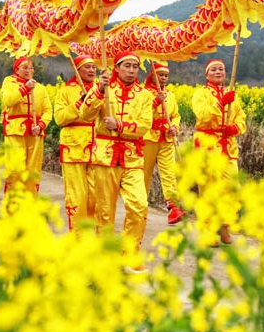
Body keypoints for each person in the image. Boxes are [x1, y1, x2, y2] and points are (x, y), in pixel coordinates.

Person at [89, 51, 152, 272]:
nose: (132, 70)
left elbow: (145, 124)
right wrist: (98, 90)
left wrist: (121, 126)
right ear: (116, 68)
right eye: (127, 66)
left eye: (135, 66)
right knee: (105, 210)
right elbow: (85, 114)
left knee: (139, 205)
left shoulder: (145, 95)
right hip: (105, 156)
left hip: (132, 157)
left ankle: (130, 253)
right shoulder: (104, 89)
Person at [191, 59, 247, 245]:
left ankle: (225, 226)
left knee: (232, 188)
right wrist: (221, 104)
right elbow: (203, 116)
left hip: (227, 147)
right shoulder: (200, 94)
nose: (218, 72)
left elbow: (241, 119)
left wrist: (234, 129)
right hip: (207, 145)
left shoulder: (233, 96)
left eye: (221, 69)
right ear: (207, 74)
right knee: (208, 188)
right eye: (213, 69)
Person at [52, 54, 104, 231]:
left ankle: (95, 234)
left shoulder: (101, 89)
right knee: (77, 195)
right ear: (77, 70)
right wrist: (80, 103)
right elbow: (59, 118)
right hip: (73, 148)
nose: (91, 70)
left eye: (93, 67)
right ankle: (79, 236)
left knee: (96, 194)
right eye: (87, 67)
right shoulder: (65, 91)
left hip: (97, 147)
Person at [0, 57, 53, 211]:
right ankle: (13, 206)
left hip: (35, 134)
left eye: (30, 67)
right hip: (15, 131)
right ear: (16, 70)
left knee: (32, 171)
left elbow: (48, 110)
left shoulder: (40, 88)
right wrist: (24, 89)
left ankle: (29, 206)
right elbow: (8, 101)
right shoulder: (9, 82)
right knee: (15, 169)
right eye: (24, 67)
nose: (28, 70)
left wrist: (41, 125)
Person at [142, 61, 186, 225]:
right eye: (160, 74)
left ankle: (173, 207)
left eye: (166, 75)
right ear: (152, 74)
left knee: (169, 173)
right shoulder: (143, 93)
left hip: (166, 138)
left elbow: (175, 115)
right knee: (144, 173)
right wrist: (155, 103)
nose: (164, 78)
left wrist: (174, 126)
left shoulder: (170, 94)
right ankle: (140, 206)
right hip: (148, 138)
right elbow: (140, 113)